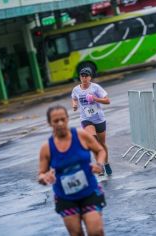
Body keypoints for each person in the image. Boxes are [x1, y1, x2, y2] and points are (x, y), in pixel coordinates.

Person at [38, 105, 107, 236]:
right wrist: (44, 178)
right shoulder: (46, 147)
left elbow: (100, 150)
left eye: (63, 119)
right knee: (76, 233)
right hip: (65, 197)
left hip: (89, 192)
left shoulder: (81, 135)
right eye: (55, 121)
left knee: (96, 231)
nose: (60, 123)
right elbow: (41, 174)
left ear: (68, 119)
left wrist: (99, 164)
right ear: (49, 123)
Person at [71, 67, 112, 176]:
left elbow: (107, 100)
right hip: (86, 119)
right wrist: (74, 105)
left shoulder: (96, 88)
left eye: (86, 76)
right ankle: (100, 166)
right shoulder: (76, 89)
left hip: (99, 118)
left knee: (102, 144)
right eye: (82, 76)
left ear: (90, 77)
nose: (84, 78)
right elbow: (74, 98)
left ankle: (106, 163)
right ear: (80, 77)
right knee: (94, 143)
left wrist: (95, 99)